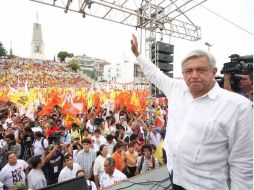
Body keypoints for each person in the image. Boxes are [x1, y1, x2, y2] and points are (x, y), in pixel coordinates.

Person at [131, 34, 253, 189]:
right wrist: (138, 54)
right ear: (183, 74)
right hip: (175, 175)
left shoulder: (238, 106)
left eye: (201, 70)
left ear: (213, 71)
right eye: (188, 71)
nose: (194, 75)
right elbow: (155, 74)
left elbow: (243, 163)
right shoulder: (176, 88)